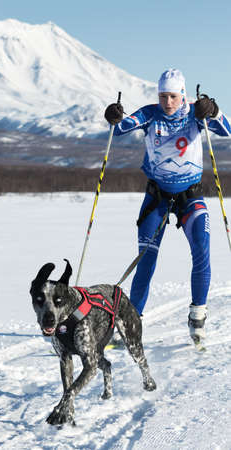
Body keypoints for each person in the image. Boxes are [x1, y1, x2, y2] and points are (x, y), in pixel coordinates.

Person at [104, 68, 231, 345]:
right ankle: (131, 323)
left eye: (173, 96)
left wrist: (214, 111)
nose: (168, 102)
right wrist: (113, 115)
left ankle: (197, 316)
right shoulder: (151, 114)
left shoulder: (196, 113)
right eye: (163, 96)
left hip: (190, 198)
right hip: (157, 199)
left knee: (201, 249)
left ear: (183, 95)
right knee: (146, 260)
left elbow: (226, 130)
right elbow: (122, 127)